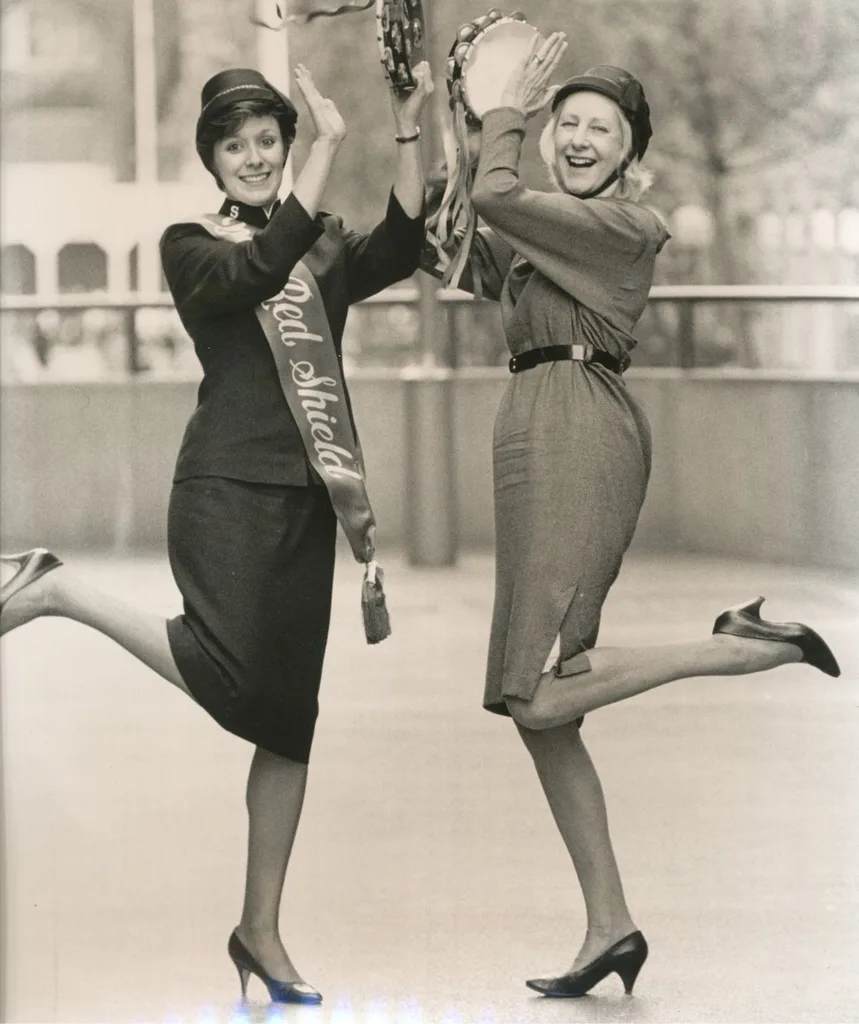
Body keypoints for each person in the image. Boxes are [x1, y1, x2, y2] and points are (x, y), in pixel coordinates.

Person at [1, 60, 433, 1005]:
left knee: (287, 724)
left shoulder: (317, 245)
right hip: (227, 491)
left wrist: (408, 125)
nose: (250, 155)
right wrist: (325, 149)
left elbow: (403, 241)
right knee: (228, 677)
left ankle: (260, 931)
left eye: (266, 140)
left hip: (307, 502)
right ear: (213, 157)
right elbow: (257, 266)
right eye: (233, 144)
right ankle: (59, 588)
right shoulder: (188, 244)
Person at [423, 34, 840, 998]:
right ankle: (609, 925)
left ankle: (741, 648)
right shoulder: (544, 236)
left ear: (627, 158)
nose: (572, 138)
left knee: (532, 692)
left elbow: (493, 195)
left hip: (580, 427)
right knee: (545, 710)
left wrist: (505, 112)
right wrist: (437, 114)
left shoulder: (623, 227)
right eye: (563, 121)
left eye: (595, 130)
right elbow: (450, 239)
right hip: (533, 425)